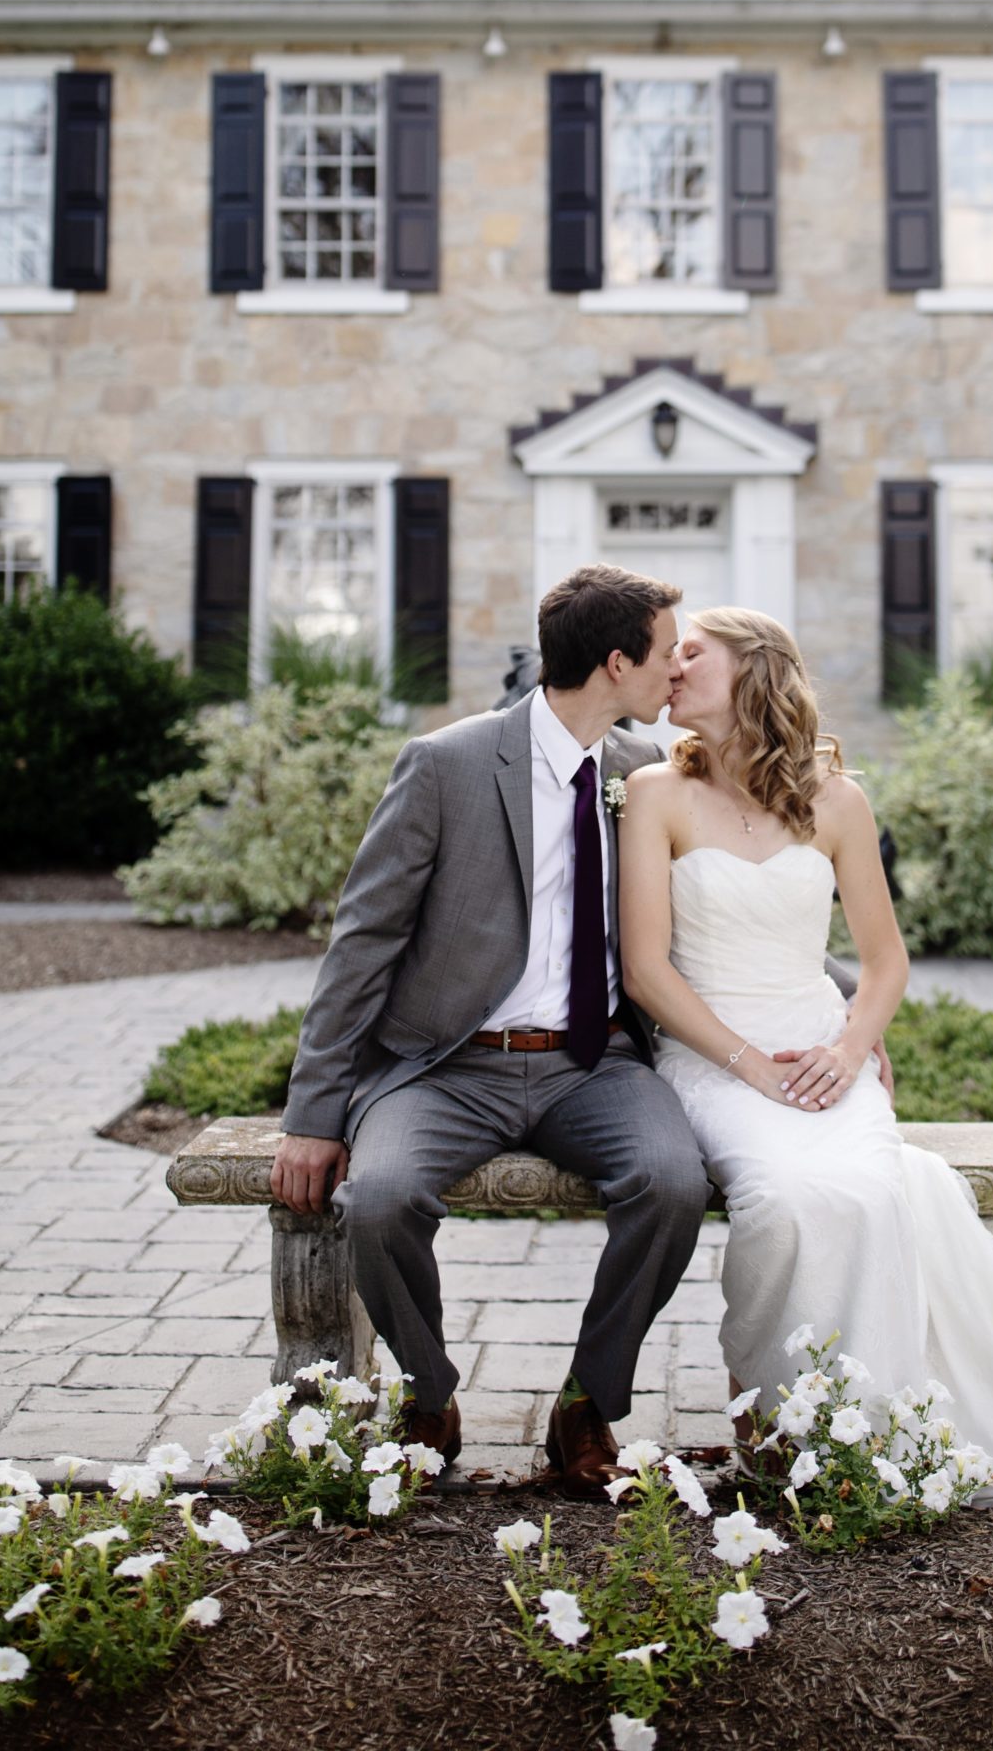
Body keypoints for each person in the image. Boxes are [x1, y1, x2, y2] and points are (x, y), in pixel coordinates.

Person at [618, 605, 993, 1513]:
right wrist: (751, 1065)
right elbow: (645, 969)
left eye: (691, 653)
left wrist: (848, 1047)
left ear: (754, 669)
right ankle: (767, 1415)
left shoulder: (837, 799)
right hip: (710, 1053)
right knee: (788, 1196)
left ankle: (859, 1424)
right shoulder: (654, 794)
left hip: (821, 1046)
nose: (669, 669)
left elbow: (883, 961)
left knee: (873, 1192)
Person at [270, 564, 712, 1495]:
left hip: (592, 1066)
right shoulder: (449, 763)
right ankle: (429, 1397)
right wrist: (312, 1114)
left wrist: (843, 1009)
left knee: (672, 1183)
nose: (678, 671)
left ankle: (587, 1406)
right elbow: (362, 942)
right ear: (616, 661)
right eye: (668, 653)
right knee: (380, 1199)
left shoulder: (642, 776)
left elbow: (724, 915)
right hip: (447, 1066)